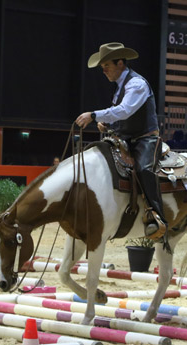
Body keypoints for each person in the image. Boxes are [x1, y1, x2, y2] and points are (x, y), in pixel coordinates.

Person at [75, 42, 167, 240]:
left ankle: (157, 216)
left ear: (120, 63)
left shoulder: (136, 84)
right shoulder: (120, 87)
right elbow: (122, 117)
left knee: (144, 169)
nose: (104, 71)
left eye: (106, 66)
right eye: (102, 68)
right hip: (126, 139)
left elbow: (125, 111)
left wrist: (94, 115)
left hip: (145, 139)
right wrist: (109, 126)